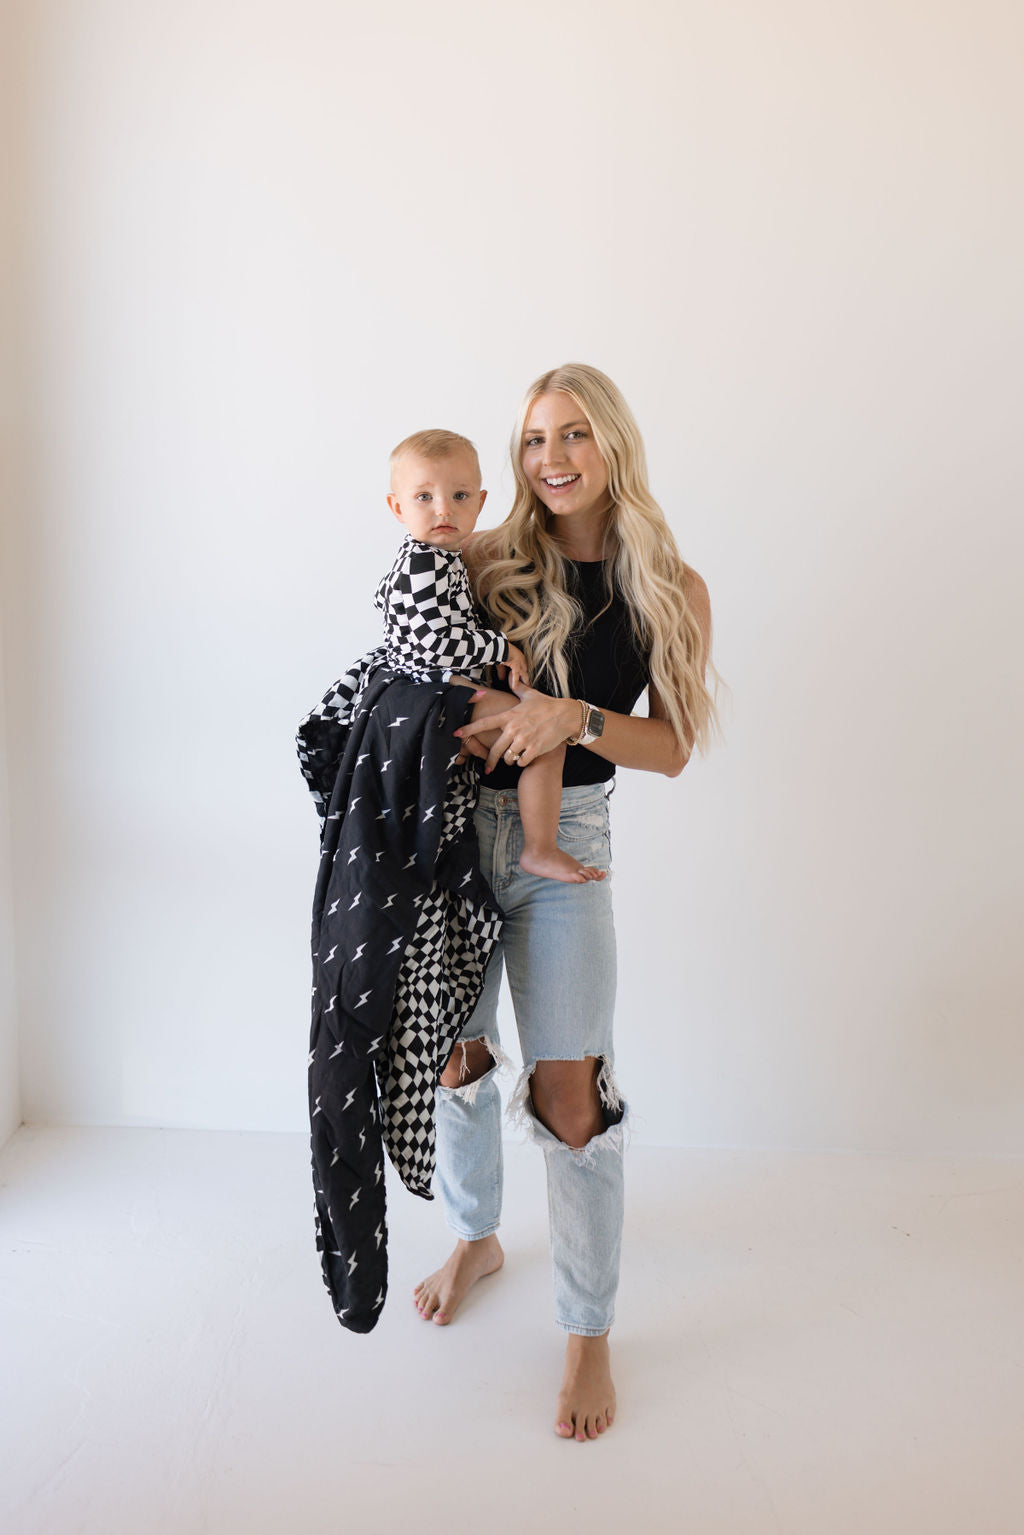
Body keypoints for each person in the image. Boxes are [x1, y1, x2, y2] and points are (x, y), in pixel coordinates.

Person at [411, 364, 716, 1444]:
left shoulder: (669, 586)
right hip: (459, 833)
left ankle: (587, 1326)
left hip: (566, 847)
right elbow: (423, 673)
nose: (550, 456)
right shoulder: (490, 561)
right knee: (455, 1051)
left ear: (612, 446)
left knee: (571, 1088)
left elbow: (672, 748)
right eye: (535, 436)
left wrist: (573, 715)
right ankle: (476, 1232)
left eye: (574, 433)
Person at [381, 429, 606, 884]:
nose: (443, 509)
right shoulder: (424, 563)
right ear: (398, 508)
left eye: (459, 495)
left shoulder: (443, 558)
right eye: (424, 497)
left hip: (441, 689)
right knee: (545, 737)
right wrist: (500, 646)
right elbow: (434, 644)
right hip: (437, 689)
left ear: (480, 503)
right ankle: (540, 848)